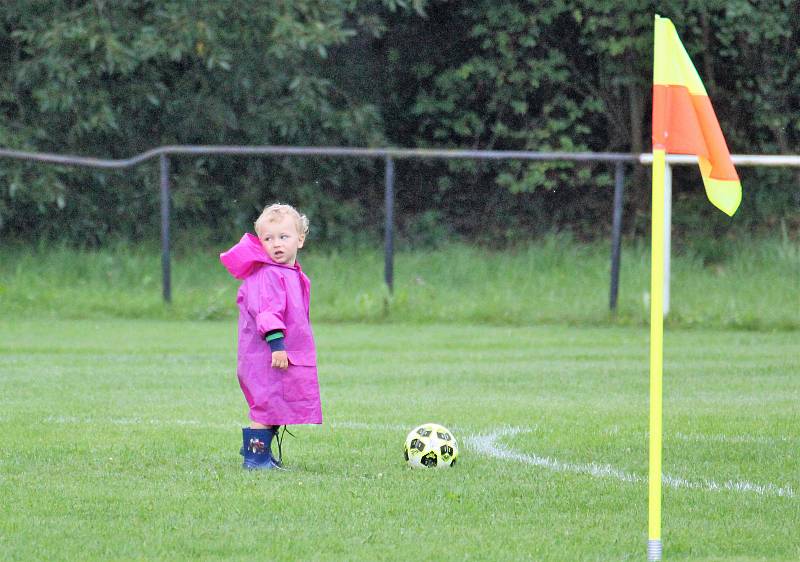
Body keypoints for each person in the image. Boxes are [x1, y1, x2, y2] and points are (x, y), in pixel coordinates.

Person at [219, 203, 322, 470]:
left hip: (280, 353)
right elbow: (267, 313)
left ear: (300, 239)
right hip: (266, 355)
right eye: (268, 238)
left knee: (276, 405)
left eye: (283, 237)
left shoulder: (290, 274)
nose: (276, 244)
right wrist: (277, 345)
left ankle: (259, 450)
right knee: (266, 407)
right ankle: (255, 458)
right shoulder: (269, 275)